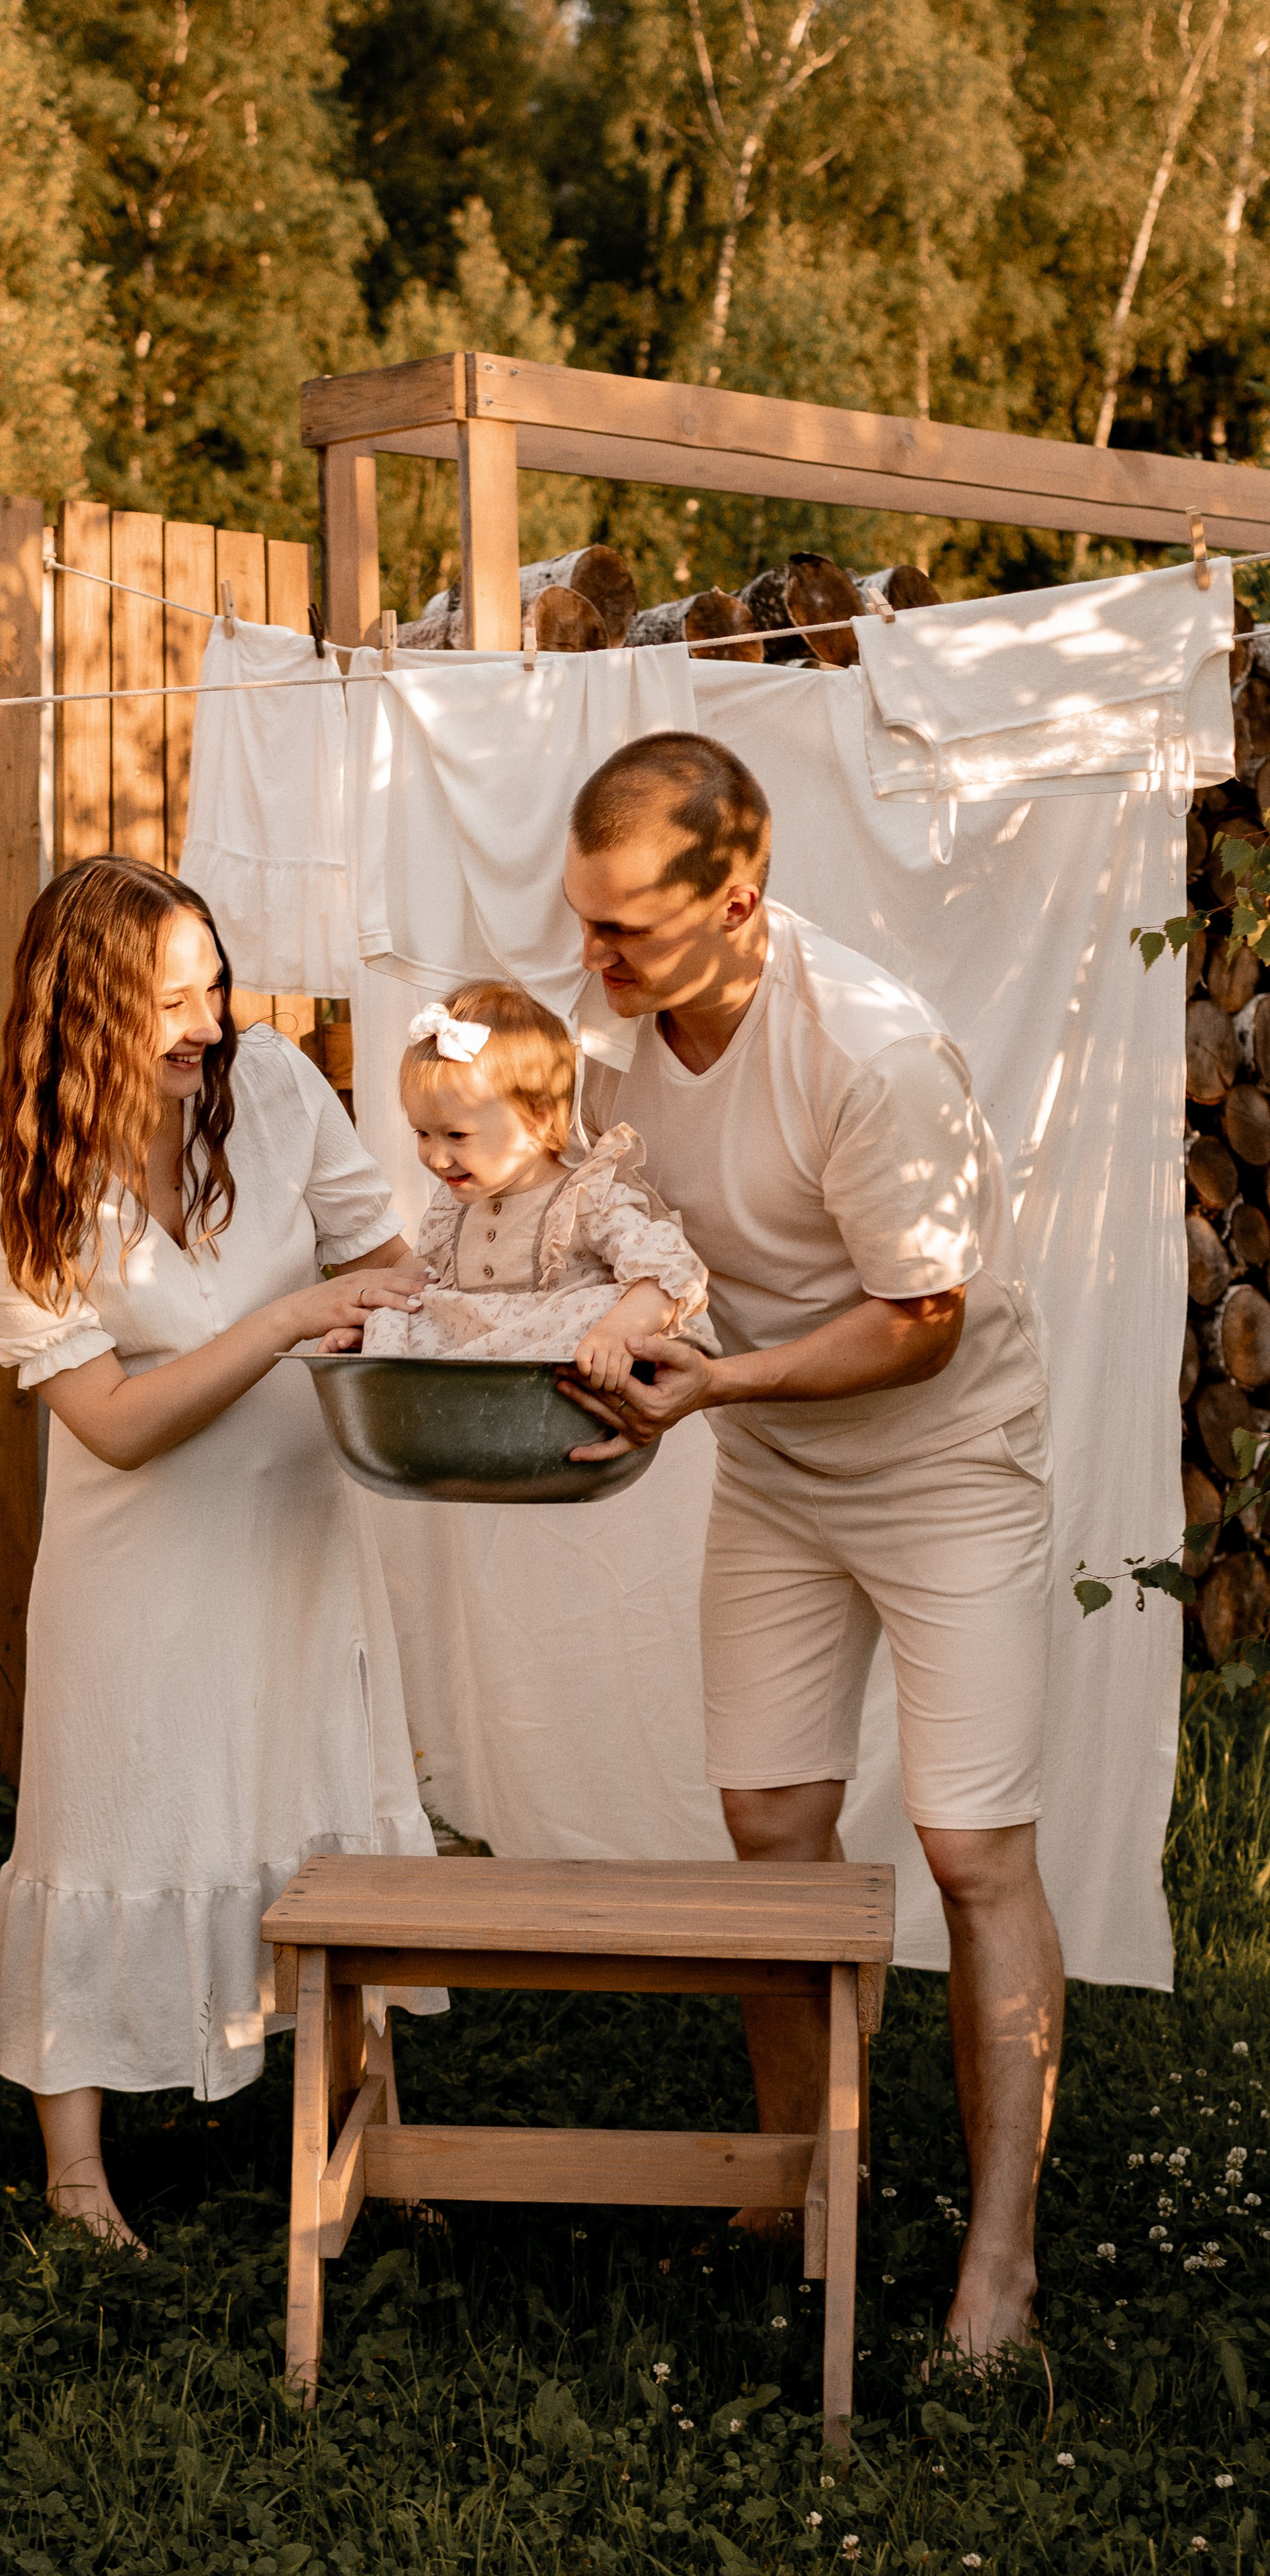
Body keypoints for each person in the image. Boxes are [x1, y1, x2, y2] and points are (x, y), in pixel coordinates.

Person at [560, 731, 1060, 2367]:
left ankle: (997, 2257)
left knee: (969, 1848)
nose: (592, 955)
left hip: (944, 1460)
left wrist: (713, 1385)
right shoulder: (604, 1029)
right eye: (582, 917)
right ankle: (805, 2179)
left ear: (736, 901)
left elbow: (919, 1323)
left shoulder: (867, 1049)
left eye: (625, 926)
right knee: (768, 1823)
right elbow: (598, 1225)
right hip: (777, 1465)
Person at [0, 857, 438, 2250]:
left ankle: (370, 2137)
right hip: (136, 1577)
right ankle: (76, 2180)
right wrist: (283, 1324)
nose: (207, 1023)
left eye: (213, 987)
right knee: (106, 1819)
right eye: (169, 1000)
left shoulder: (274, 1086)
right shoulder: (12, 1187)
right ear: (84, 1009)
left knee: (321, 1801)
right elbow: (111, 1423)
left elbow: (389, 1264)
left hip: (298, 1545)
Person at [337, 979, 715, 1387]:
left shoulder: (585, 1198)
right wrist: (383, 1332)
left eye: (457, 1135)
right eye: (423, 1134)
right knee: (395, 1313)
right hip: (472, 1381)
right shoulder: (454, 1211)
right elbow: (435, 1298)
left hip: (556, 1376)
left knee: (607, 1303)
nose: (438, 1158)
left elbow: (670, 1271)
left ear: (538, 1120)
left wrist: (616, 1332)